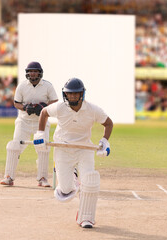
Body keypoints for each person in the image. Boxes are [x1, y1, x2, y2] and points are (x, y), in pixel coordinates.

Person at [33, 77, 113, 228]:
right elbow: (44, 112)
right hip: (63, 148)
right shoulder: (60, 107)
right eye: (70, 94)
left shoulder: (92, 109)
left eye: (76, 94)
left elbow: (109, 123)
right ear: (65, 95)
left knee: (90, 181)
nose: (73, 96)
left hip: (84, 149)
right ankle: (74, 178)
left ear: (82, 94)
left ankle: (86, 218)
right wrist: (40, 134)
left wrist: (104, 141)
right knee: (65, 192)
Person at [0, 61, 58, 187]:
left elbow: (55, 101)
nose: (32, 73)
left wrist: (44, 107)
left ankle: (42, 178)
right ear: (27, 73)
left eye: (35, 71)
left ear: (40, 73)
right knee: (14, 146)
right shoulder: (21, 86)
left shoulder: (47, 86)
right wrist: (25, 107)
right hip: (23, 122)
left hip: (41, 122)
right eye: (30, 71)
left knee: (43, 148)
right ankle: (9, 177)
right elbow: (16, 103)